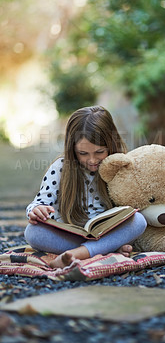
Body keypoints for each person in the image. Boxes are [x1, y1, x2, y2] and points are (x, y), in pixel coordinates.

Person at [24, 106, 147, 269]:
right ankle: (104, 249)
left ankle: (79, 253)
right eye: (83, 153)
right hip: (70, 235)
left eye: (99, 152)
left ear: (111, 144)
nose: (92, 160)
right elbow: (40, 201)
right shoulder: (60, 168)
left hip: (107, 232)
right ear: (72, 148)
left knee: (139, 221)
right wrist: (36, 209)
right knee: (33, 232)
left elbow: (133, 204)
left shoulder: (120, 166)